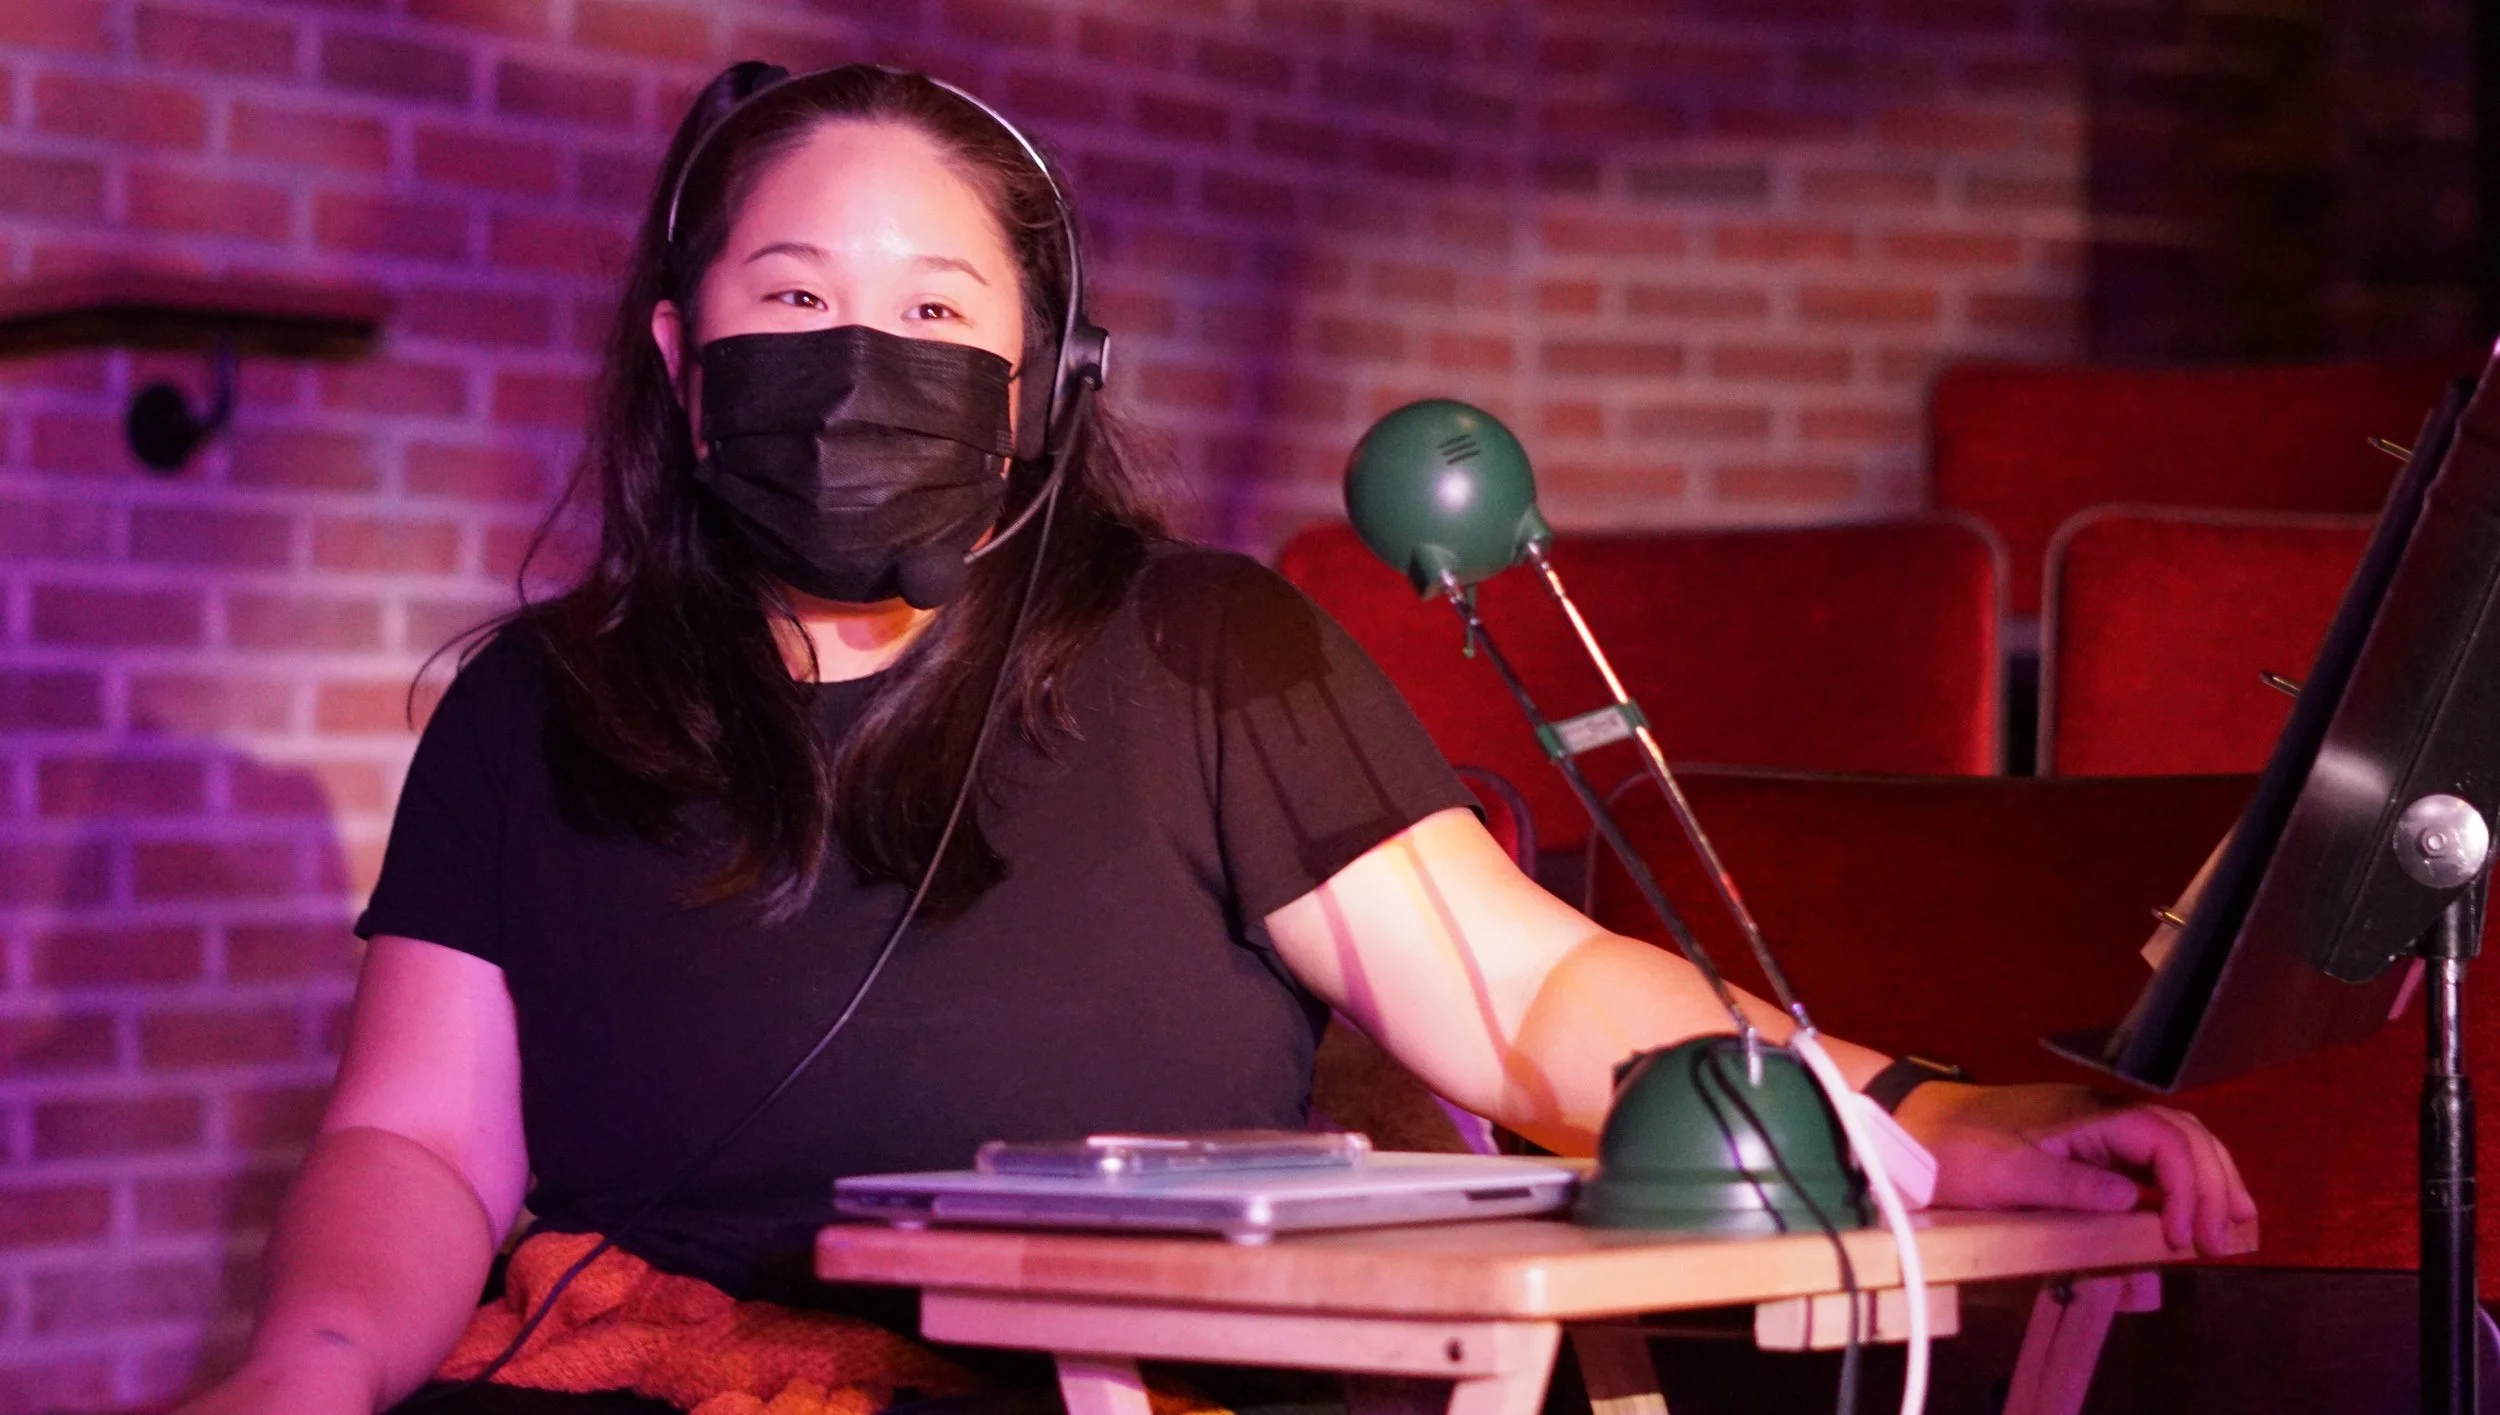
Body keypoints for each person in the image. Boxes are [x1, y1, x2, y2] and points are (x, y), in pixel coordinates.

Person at [173, 62, 2253, 1415]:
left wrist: (1947, 1120)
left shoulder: (1206, 653)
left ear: (1040, 383)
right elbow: (416, 1141)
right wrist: (306, 1367)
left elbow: (1534, 1002)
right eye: (792, 301)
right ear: (678, 351)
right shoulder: (529, 709)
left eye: (936, 312)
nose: (861, 356)